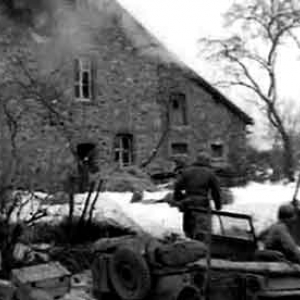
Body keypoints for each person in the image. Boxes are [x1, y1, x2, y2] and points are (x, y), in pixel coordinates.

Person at [173, 151, 222, 240]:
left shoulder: (186, 172)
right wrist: (218, 205)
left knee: (189, 230)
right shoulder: (210, 173)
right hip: (202, 206)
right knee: (203, 232)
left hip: (188, 204)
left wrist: (180, 200)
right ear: (207, 161)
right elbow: (216, 191)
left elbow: (177, 186)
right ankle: (201, 249)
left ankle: (190, 247)